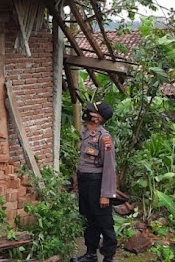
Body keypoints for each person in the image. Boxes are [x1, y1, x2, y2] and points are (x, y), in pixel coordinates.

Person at [71, 102, 118, 262]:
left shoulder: (104, 138)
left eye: (92, 111)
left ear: (98, 118)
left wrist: (106, 194)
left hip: (97, 184)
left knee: (104, 222)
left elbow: (110, 167)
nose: (87, 112)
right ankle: (90, 254)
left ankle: (108, 257)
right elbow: (81, 160)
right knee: (88, 218)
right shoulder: (84, 132)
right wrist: (77, 181)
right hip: (85, 183)